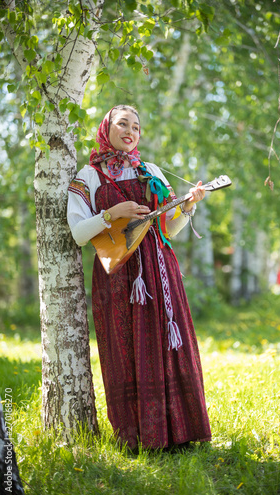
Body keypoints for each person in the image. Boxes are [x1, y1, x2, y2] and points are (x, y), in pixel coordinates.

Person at [67, 105, 211, 451]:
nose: (130, 131)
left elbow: (168, 228)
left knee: (168, 344)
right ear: (106, 128)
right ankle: (138, 438)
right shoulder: (86, 176)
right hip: (118, 277)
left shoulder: (151, 171)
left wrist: (188, 206)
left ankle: (181, 432)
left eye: (136, 126)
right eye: (122, 124)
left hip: (161, 273)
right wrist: (111, 214)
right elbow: (77, 233)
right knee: (126, 349)